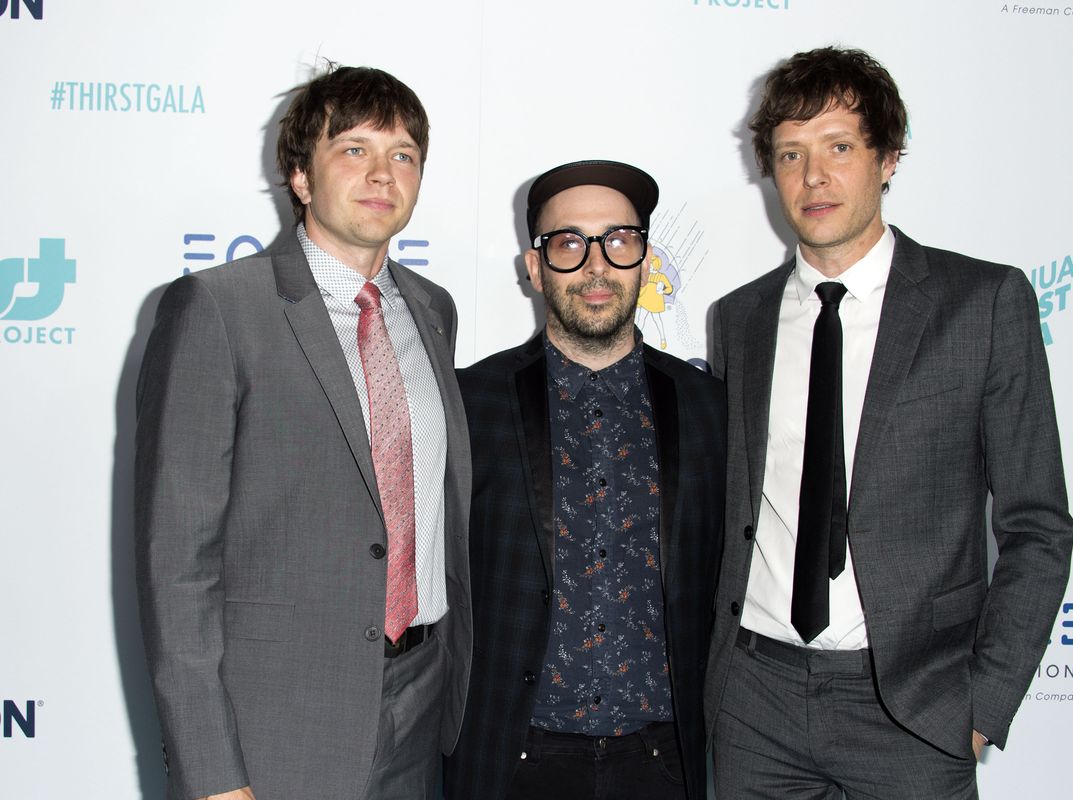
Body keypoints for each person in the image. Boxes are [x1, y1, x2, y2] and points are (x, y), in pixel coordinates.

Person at [705, 47, 1073, 798]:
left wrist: (983, 704)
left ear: (889, 157)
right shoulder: (738, 320)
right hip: (755, 703)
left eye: (839, 147)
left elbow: (1038, 525)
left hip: (915, 709)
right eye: (791, 154)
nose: (814, 178)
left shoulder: (983, 304)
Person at [134, 65, 471, 800]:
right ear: (299, 173)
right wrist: (211, 774)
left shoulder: (433, 311)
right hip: (276, 721)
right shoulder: (217, 310)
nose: (383, 173)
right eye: (354, 149)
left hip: (421, 699)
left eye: (403, 155)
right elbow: (177, 566)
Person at [444, 160, 725, 800]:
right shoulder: (469, 403)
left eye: (618, 240)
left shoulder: (710, 409)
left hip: (666, 762)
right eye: (568, 243)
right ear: (535, 266)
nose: (596, 266)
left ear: (645, 260)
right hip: (511, 761)